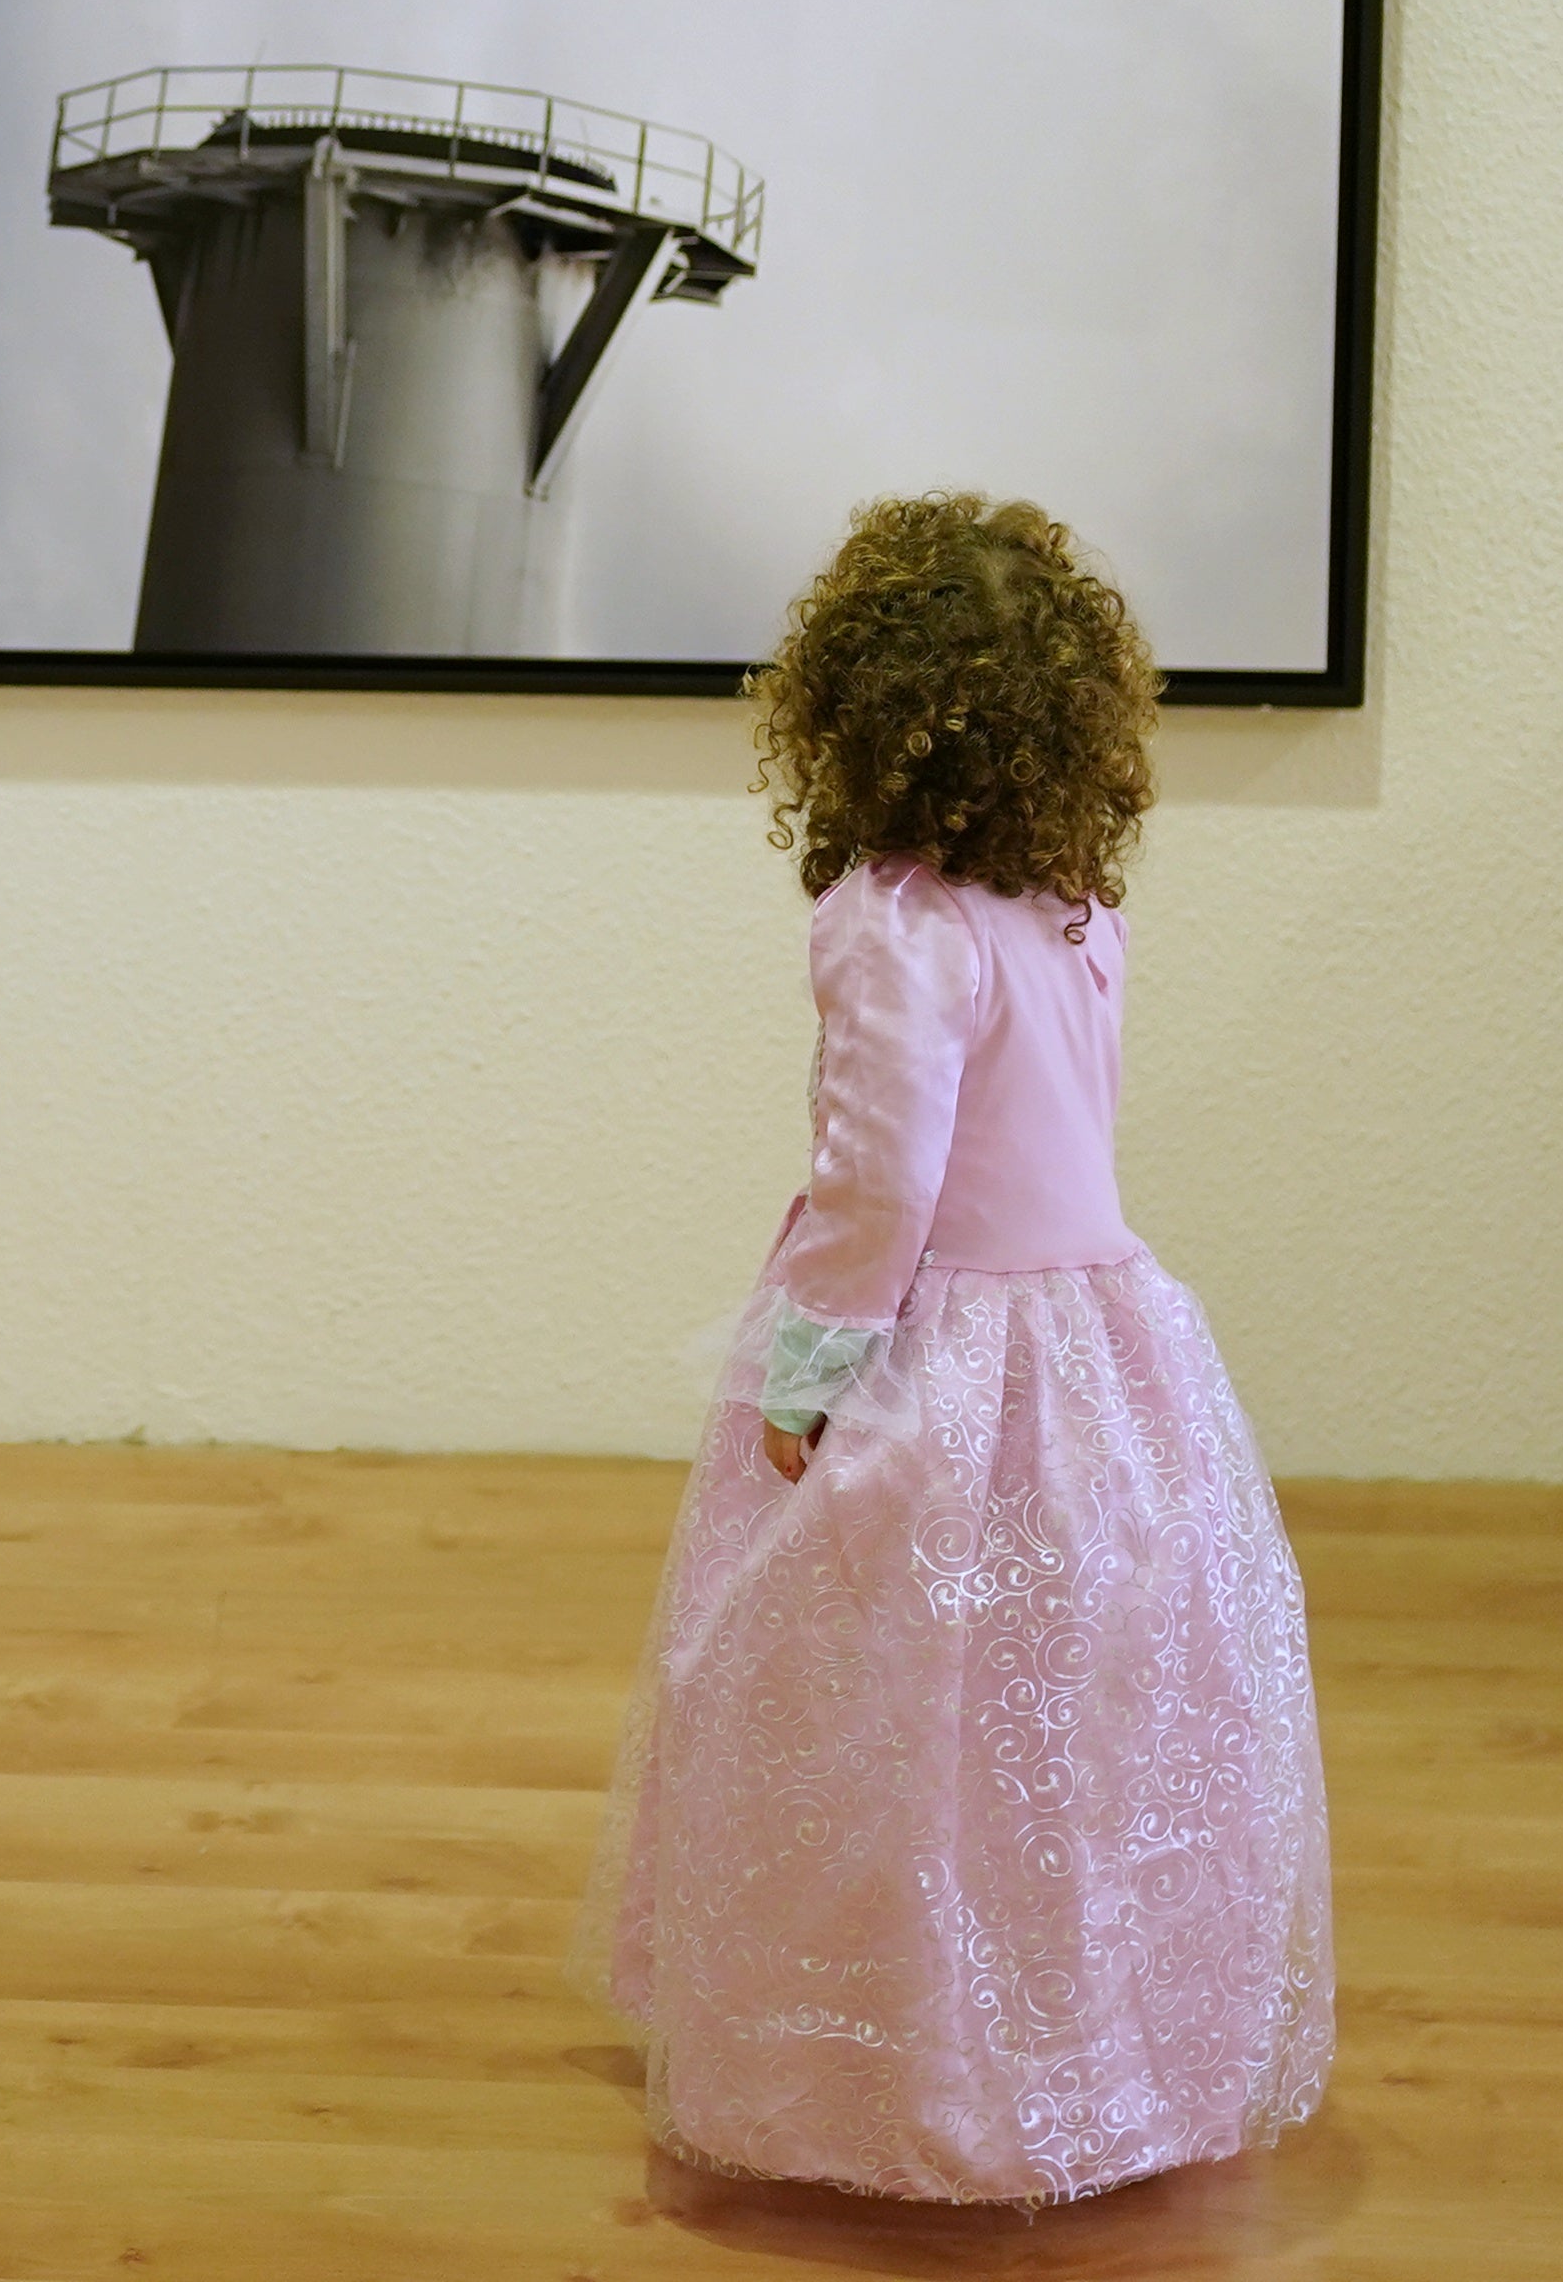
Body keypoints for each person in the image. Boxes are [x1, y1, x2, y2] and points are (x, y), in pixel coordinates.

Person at [581, 493, 1333, 2203]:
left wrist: (806, 1378)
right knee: (1070, 1730)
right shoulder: (1075, 911)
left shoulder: (896, 925)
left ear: (851, 717)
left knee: (896, 1720)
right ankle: (1080, 2058)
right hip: (1102, 1360)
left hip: (945, 1371)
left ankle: (901, 2067)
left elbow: (878, 1188)